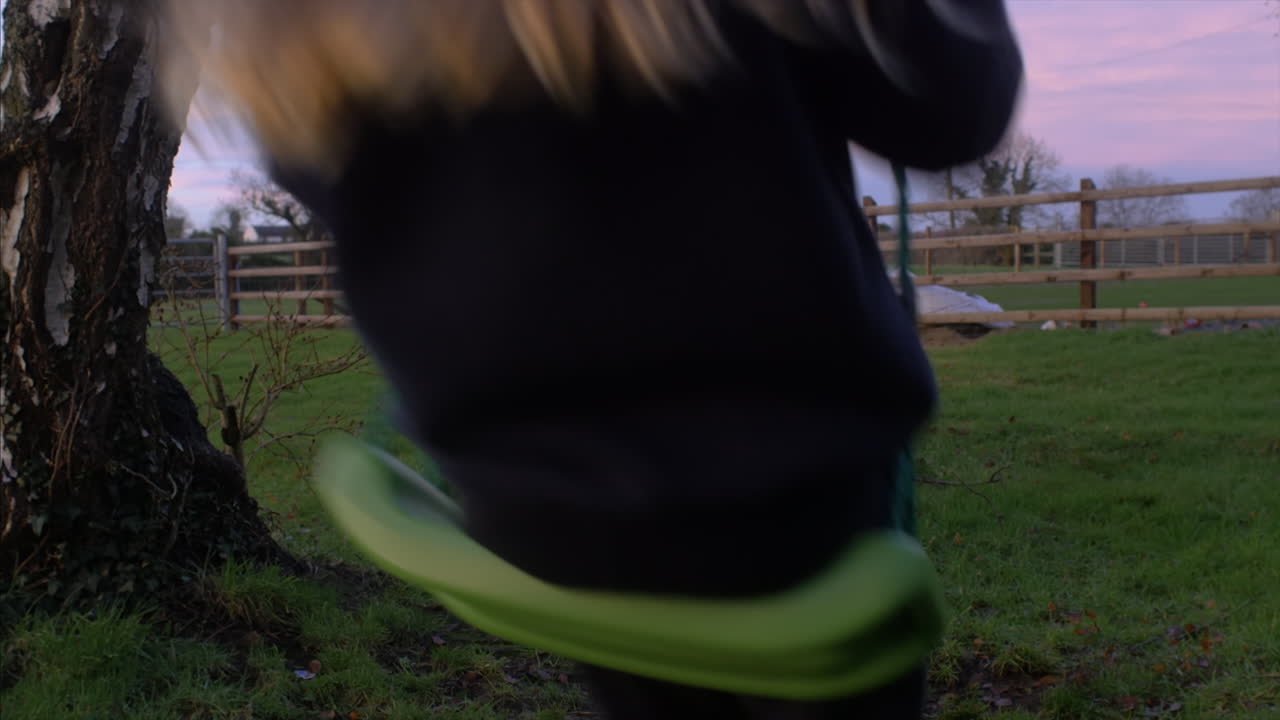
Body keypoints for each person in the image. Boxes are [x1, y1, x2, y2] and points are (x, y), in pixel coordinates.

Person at [164, 2, 1023, 717]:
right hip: (788, 515)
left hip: (541, 523)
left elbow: (348, 187)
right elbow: (952, 112)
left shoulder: (309, 22)